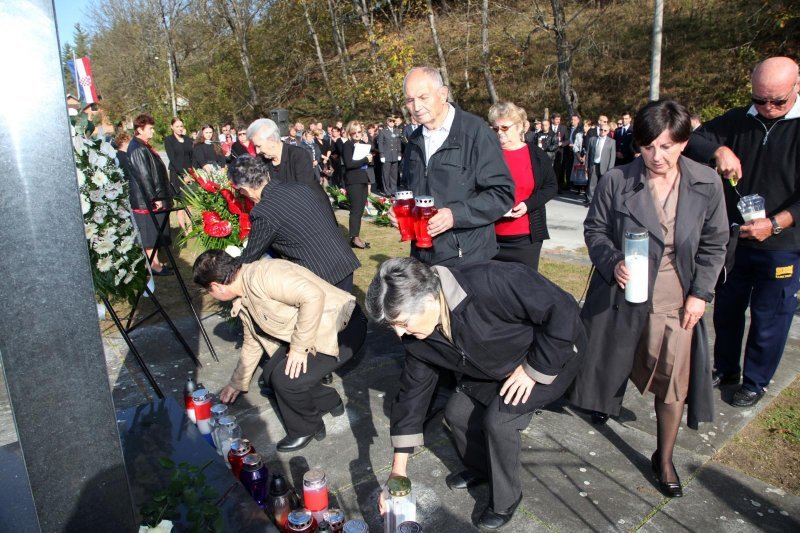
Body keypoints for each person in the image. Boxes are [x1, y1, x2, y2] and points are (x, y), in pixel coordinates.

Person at [569, 100, 728, 498]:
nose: (657, 156)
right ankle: (604, 401)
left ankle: (666, 456)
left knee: (673, 382)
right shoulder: (616, 181)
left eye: (667, 146)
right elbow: (595, 230)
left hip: (676, 299)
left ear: (684, 142)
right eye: (647, 146)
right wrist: (612, 261)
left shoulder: (707, 183)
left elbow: (715, 243)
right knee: (612, 361)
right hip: (624, 296)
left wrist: (700, 294)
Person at [366, 257, 585, 530]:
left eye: (403, 322)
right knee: (457, 413)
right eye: (392, 326)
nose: (400, 334)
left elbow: (562, 310)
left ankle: (506, 499)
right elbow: (412, 395)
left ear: (430, 301)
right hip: (491, 369)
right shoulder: (417, 337)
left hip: (549, 355)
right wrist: (398, 471)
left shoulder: (491, 280)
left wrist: (534, 368)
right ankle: (482, 470)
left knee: (499, 421)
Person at [685, 56, 800, 407]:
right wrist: (718, 149)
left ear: (797, 87)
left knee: (771, 314)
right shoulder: (739, 119)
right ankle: (725, 367)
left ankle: (756, 379)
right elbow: (692, 139)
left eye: (777, 101)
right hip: (736, 238)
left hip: (783, 243)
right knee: (728, 307)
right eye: (759, 99)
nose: (767, 108)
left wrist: (778, 222)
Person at [193, 250, 366, 452]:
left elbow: (312, 296)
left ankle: (307, 428)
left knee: (286, 381)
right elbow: (252, 342)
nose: (211, 295)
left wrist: (299, 349)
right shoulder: (243, 294)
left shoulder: (265, 274)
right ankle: (329, 401)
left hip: (342, 329)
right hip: (314, 330)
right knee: (269, 376)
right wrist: (237, 382)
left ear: (215, 286)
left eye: (208, 291)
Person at [392, 66, 514, 266]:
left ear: (443, 94)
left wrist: (454, 215)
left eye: (423, 97)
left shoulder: (476, 132)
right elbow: (407, 185)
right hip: (422, 255)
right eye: (410, 100)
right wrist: (400, 209)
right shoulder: (413, 139)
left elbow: (502, 194)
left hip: (467, 257)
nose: (416, 107)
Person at [231, 156, 361, 292]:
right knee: (347, 306)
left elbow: (250, 256)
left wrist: (225, 270)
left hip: (321, 273)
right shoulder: (297, 186)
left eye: (240, 190)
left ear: (245, 188)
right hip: (341, 257)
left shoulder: (263, 211)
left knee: (338, 310)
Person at [488, 102, 557, 270]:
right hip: (490, 239)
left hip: (525, 240)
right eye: (496, 129)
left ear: (520, 127)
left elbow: (551, 186)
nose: (500, 134)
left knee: (524, 290)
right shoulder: (488, 154)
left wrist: (528, 205)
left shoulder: (536, 155)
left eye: (505, 128)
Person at [126, 113, 174, 275]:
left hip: (149, 199)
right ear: (140, 129)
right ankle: (154, 266)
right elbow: (144, 176)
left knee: (154, 234)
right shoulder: (138, 148)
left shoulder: (142, 145)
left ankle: (156, 263)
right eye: (150, 129)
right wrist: (155, 198)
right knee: (149, 235)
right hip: (145, 201)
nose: (153, 132)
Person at [247, 118, 319, 189]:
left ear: (271, 140)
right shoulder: (260, 161)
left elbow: (306, 191)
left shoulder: (299, 156)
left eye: (259, 146)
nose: (257, 151)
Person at [341, 120, 373, 249]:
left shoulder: (363, 144)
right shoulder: (348, 145)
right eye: (354, 132)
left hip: (363, 178)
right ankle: (354, 238)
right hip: (353, 180)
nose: (357, 134)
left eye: (359, 131)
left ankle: (356, 237)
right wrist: (365, 159)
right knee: (355, 211)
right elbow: (349, 164)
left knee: (359, 211)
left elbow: (366, 165)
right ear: (349, 133)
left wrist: (369, 159)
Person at [164, 117, 193, 232]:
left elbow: (191, 156)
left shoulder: (188, 140)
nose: (180, 128)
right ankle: (183, 229)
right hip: (177, 174)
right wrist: (183, 174)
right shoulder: (168, 140)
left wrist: (191, 173)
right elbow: (172, 158)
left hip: (189, 173)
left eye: (181, 126)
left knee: (189, 201)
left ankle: (190, 228)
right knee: (180, 202)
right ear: (172, 127)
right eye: (177, 126)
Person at [584, 122, 617, 205]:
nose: (602, 132)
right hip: (593, 164)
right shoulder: (592, 139)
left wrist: (610, 169)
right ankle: (590, 201)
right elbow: (588, 154)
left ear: (608, 131)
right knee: (592, 183)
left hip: (605, 166)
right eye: (601, 130)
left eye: (605, 130)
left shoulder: (612, 142)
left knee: (603, 185)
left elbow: (612, 157)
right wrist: (586, 166)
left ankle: (601, 202)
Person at [377, 115, 402, 196]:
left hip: (394, 155)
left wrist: (399, 153)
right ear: (387, 122)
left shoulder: (397, 131)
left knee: (394, 175)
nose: (392, 123)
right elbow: (380, 143)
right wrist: (381, 154)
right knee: (386, 174)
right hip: (386, 156)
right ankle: (387, 190)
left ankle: (393, 190)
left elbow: (398, 142)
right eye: (390, 121)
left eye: (393, 121)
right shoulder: (383, 131)